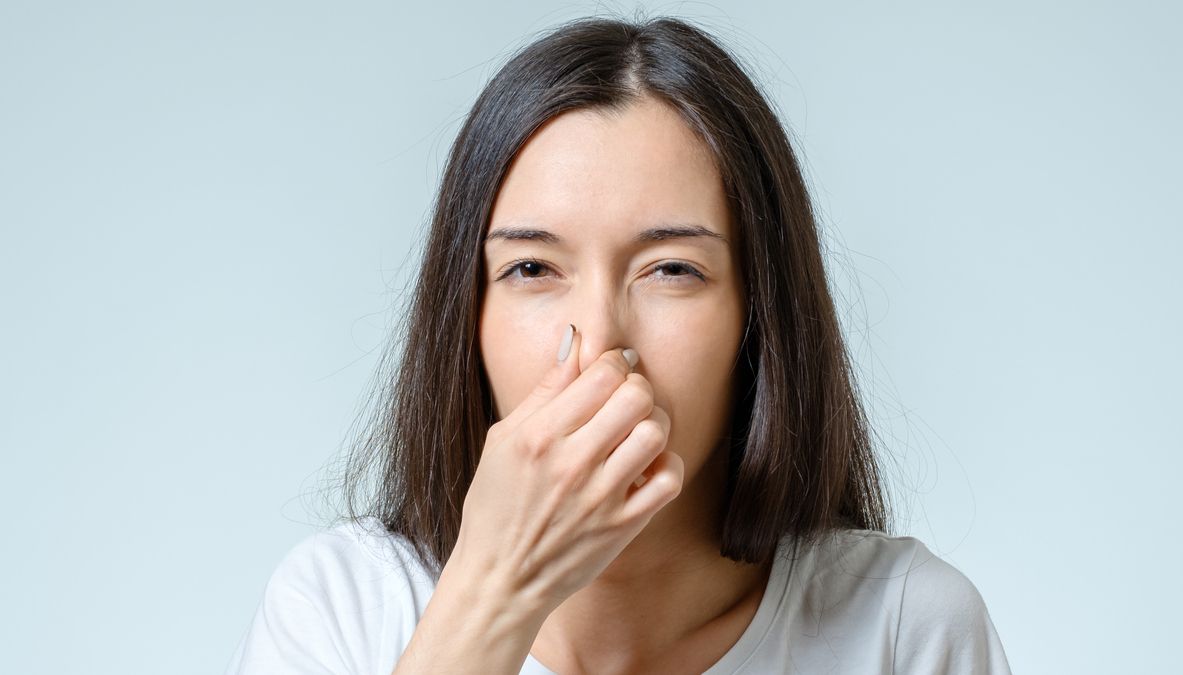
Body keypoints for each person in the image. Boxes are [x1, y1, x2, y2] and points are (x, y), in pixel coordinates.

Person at [225, 14, 1012, 675]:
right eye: (531, 267)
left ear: (758, 315)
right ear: (465, 315)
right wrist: (492, 595)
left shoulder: (906, 625)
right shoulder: (341, 607)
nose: (600, 338)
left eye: (671, 269)